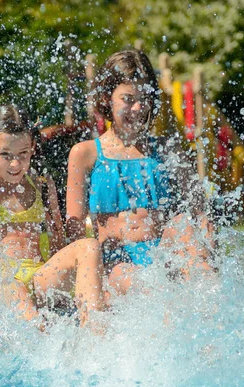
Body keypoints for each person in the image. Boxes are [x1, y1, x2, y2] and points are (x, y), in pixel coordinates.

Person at [0, 104, 105, 327]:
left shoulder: (42, 185)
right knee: (17, 290)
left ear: (32, 147)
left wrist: (66, 292)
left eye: (23, 154)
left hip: (38, 278)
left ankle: (94, 335)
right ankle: (40, 335)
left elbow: (57, 248)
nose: (15, 164)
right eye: (6, 155)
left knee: (89, 246)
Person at [66, 49, 214, 296]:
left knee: (182, 225)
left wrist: (204, 234)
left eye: (144, 98)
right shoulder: (86, 153)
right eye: (127, 99)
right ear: (107, 99)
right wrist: (88, 281)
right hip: (116, 259)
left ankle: (217, 310)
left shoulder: (167, 149)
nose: (137, 108)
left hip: (163, 251)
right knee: (149, 289)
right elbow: (76, 227)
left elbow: (198, 205)